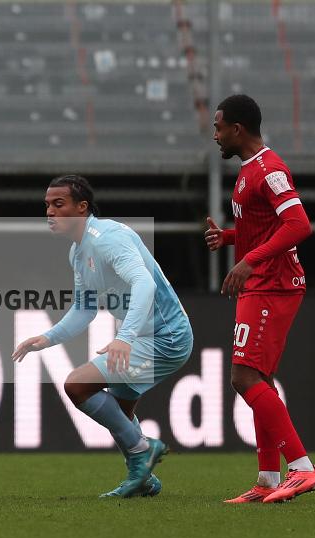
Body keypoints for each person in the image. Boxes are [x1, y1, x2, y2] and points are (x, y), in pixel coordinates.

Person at [12, 175, 193, 498]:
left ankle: (142, 451)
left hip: (167, 338)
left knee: (77, 385)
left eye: (58, 205)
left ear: (82, 208)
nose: (50, 213)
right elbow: (85, 309)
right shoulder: (78, 251)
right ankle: (144, 479)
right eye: (47, 206)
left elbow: (144, 285)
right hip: (145, 338)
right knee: (120, 415)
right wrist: (47, 338)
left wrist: (124, 338)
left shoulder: (107, 238)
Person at [205, 94, 315, 504]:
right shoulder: (247, 171)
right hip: (261, 284)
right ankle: (268, 479)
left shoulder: (269, 170)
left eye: (218, 127)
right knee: (260, 379)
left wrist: (248, 261)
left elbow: (298, 224)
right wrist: (231, 238)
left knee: (244, 377)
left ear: (238, 128)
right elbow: (267, 225)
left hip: (273, 285)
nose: (215, 136)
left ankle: (303, 468)